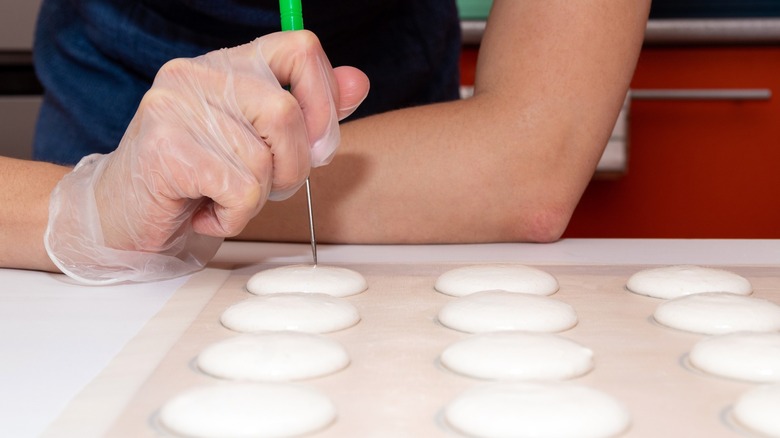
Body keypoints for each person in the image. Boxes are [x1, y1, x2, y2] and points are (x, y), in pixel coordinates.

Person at [1, 0, 651, 282]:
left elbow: (530, 156)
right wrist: (83, 210)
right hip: (105, 92)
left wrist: (189, 206)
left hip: (396, 109)